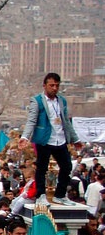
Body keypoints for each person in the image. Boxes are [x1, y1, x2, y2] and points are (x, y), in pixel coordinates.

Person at [21, 71, 81, 206]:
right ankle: (41, 195)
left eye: (57, 86)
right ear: (45, 85)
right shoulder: (37, 101)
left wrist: (75, 139)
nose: (54, 88)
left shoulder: (62, 101)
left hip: (60, 139)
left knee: (66, 166)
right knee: (42, 168)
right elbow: (31, 121)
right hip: (44, 139)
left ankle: (60, 195)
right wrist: (25, 137)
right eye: (51, 85)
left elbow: (66, 121)